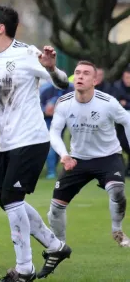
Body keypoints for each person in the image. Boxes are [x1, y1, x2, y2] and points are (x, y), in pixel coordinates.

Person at [0, 5, 72, 281]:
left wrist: (51, 69)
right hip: (6, 142)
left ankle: (24, 269)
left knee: (13, 200)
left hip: (32, 139)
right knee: (7, 201)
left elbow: (63, 82)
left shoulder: (27, 54)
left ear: (0, 27)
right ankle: (55, 247)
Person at [47, 61, 130, 249]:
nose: (80, 76)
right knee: (55, 208)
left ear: (94, 80)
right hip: (77, 159)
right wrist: (64, 155)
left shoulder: (108, 102)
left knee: (117, 191)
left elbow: (127, 120)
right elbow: (54, 133)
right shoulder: (64, 103)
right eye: (77, 73)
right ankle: (59, 246)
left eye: (85, 73)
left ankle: (117, 230)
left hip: (108, 157)